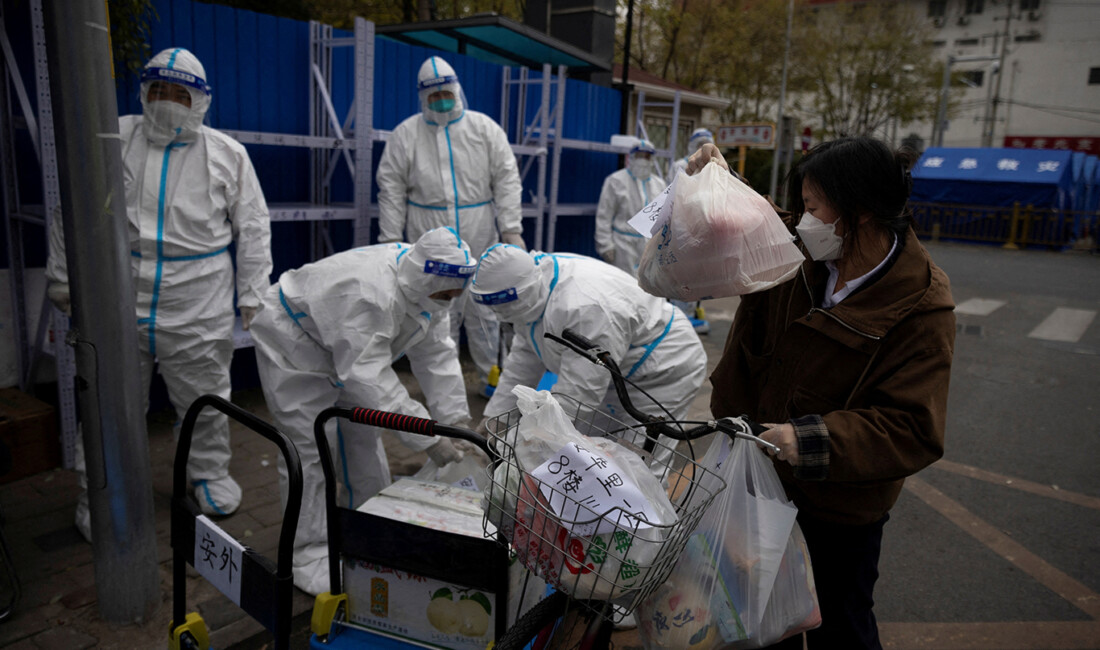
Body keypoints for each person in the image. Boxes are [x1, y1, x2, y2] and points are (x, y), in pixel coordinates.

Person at [694, 136, 956, 649]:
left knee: (840, 621)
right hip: (758, 476)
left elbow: (911, 427)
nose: (803, 218)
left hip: (838, 506)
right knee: (757, 616)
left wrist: (810, 440)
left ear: (858, 213)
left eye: (813, 207)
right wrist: (718, 181)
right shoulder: (808, 245)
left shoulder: (921, 306)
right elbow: (759, 219)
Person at [45, 47, 273, 537]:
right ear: (144, 92)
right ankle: (101, 492)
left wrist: (253, 293)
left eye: (180, 93)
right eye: (159, 91)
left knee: (204, 394)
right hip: (120, 290)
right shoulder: (115, 139)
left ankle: (208, 473)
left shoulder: (226, 155)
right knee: (109, 397)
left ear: (200, 100)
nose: (169, 101)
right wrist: (62, 274)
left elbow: (253, 225)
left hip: (198, 296)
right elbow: (72, 205)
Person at [248, 227, 475, 595]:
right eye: (445, 293)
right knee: (310, 450)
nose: (450, 299)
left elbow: (437, 355)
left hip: (346, 345)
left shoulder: (431, 289)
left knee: (363, 440)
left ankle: (369, 526)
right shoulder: (371, 292)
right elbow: (367, 376)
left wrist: (456, 423)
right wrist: (427, 438)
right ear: (424, 279)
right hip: (294, 341)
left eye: (455, 294)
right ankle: (308, 553)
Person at [470, 244, 706, 469]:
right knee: (589, 461)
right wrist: (497, 417)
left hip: (662, 371)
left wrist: (518, 441)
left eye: (502, 305)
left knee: (638, 469)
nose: (498, 314)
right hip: (612, 375)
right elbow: (524, 357)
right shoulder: (535, 290)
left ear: (522, 291)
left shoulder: (584, 306)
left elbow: (579, 394)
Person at [376, 55, 524, 396]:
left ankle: (493, 379)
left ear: (458, 91)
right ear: (421, 98)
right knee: (436, 310)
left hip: (479, 229)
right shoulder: (406, 134)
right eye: (433, 95)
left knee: (484, 308)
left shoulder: (484, 129)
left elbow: (506, 179)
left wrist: (511, 227)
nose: (440, 99)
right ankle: (444, 388)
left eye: (446, 92)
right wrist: (389, 239)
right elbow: (391, 189)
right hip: (428, 232)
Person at [594, 139, 666, 275]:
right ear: (632, 157)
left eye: (647, 157)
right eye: (640, 156)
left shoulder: (659, 184)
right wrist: (605, 245)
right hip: (622, 246)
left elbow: (664, 218)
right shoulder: (616, 181)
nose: (643, 160)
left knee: (649, 289)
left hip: (649, 246)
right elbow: (604, 216)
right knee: (623, 286)